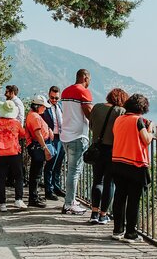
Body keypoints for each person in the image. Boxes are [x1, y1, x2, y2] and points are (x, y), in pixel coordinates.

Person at [110, 94, 155, 243]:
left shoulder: (119, 119)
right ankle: (130, 233)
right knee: (133, 200)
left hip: (117, 162)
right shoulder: (138, 121)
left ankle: (117, 230)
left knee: (120, 197)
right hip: (135, 164)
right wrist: (151, 129)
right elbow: (146, 139)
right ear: (143, 108)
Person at [87, 88, 129, 224]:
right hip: (112, 150)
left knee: (97, 181)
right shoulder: (120, 112)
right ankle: (103, 214)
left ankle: (94, 212)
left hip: (97, 149)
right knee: (109, 183)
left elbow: (91, 126)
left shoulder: (97, 107)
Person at [0, 100, 27, 212]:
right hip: (14, 153)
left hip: (0, 154)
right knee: (18, 176)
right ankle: (18, 199)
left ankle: (2, 204)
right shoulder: (16, 123)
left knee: (1, 179)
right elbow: (23, 135)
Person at [60, 69, 93, 215]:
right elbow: (89, 114)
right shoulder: (83, 92)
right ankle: (69, 204)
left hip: (65, 136)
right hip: (78, 136)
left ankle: (71, 200)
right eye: (89, 79)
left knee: (71, 171)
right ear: (85, 77)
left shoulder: (66, 91)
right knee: (74, 172)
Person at [25, 95, 53, 207]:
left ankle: (34, 195)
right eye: (43, 106)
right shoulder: (35, 117)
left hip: (35, 145)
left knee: (35, 172)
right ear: (38, 106)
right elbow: (38, 133)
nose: (45, 108)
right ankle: (33, 198)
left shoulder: (32, 115)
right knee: (36, 173)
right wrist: (45, 148)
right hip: (37, 146)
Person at [42, 86, 65, 200]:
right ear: (49, 95)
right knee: (50, 164)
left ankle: (56, 186)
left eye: (56, 98)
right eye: (52, 97)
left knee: (58, 164)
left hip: (61, 138)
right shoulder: (45, 107)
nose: (54, 100)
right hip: (50, 138)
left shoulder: (60, 106)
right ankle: (48, 190)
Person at [4, 85, 27, 185]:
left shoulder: (16, 103)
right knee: (12, 157)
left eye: (7, 92)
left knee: (16, 158)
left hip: (14, 134)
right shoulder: (12, 102)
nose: (5, 94)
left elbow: (20, 119)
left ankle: (21, 179)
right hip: (11, 134)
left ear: (12, 92)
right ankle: (10, 179)